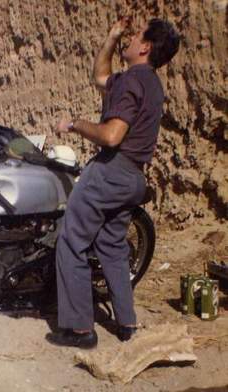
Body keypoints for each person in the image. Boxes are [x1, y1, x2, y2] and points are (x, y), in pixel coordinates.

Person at [46, 18, 180, 349]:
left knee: (71, 240)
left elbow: (111, 135)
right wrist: (111, 38)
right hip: (133, 177)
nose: (129, 40)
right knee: (113, 248)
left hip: (109, 171)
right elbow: (99, 77)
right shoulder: (148, 83)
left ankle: (80, 330)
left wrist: (73, 124)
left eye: (134, 37)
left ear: (145, 47)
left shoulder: (132, 80)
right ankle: (127, 323)